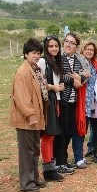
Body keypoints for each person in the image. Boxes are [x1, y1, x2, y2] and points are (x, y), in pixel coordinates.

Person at [10, 38, 47, 192]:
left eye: (38, 53)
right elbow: (22, 97)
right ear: (25, 54)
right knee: (27, 152)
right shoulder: (23, 72)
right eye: (33, 52)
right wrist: (31, 116)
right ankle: (26, 183)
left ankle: (34, 177)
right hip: (27, 119)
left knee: (34, 149)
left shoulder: (35, 69)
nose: (36, 56)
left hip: (35, 118)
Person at [58, 32, 90, 171]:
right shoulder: (59, 58)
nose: (68, 44)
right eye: (66, 41)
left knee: (70, 131)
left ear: (76, 46)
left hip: (75, 101)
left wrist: (80, 78)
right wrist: (74, 80)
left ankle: (63, 160)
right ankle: (60, 161)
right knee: (62, 132)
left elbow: (87, 75)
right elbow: (58, 75)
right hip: (62, 99)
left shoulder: (80, 60)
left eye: (72, 43)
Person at [38, 36, 65, 181]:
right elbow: (38, 81)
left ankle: (51, 166)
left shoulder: (54, 62)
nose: (54, 48)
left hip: (55, 100)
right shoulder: (43, 62)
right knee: (48, 135)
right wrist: (53, 87)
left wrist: (58, 87)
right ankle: (48, 169)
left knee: (52, 134)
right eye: (51, 46)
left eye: (56, 46)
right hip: (48, 101)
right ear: (46, 48)